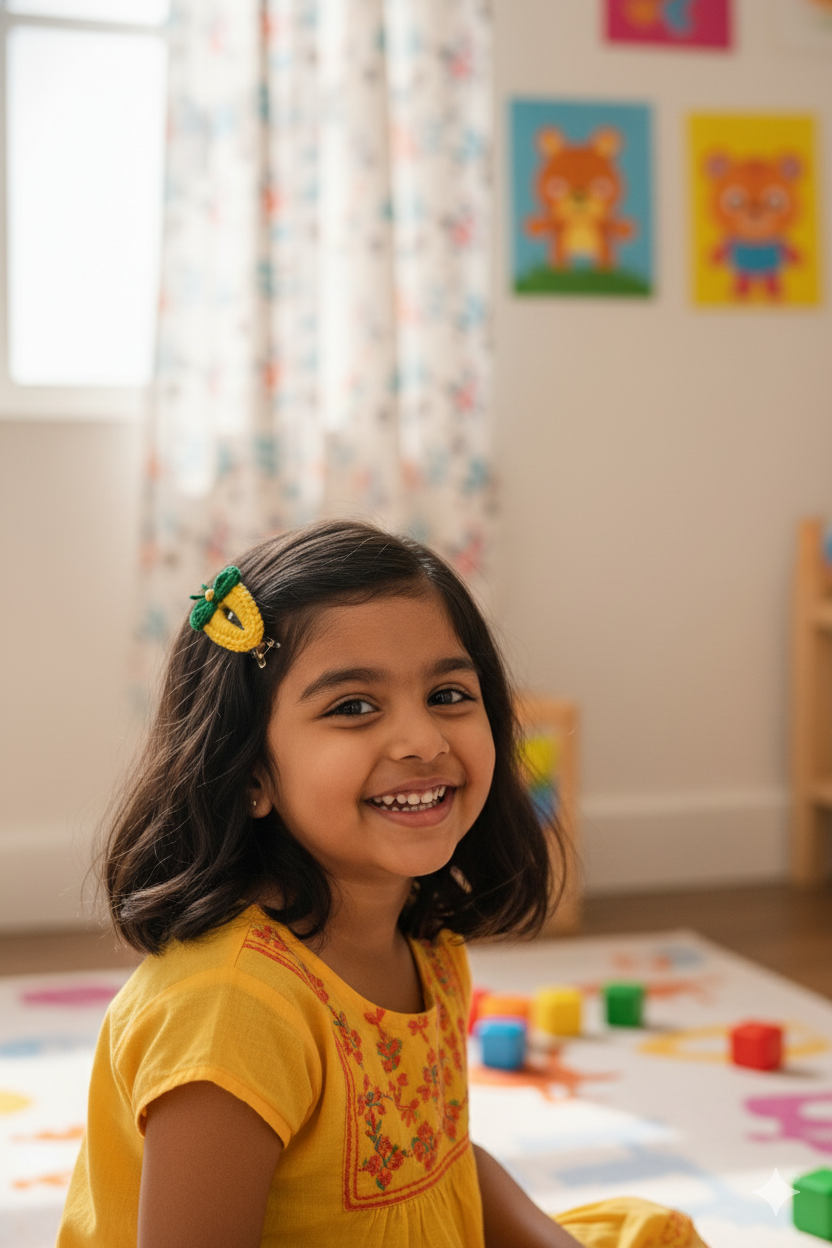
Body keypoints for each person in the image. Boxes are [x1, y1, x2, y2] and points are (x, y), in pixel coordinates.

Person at [57, 520, 709, 1248]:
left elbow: (439, 1164)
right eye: (354, 707)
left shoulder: (426, 946)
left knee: (654, 1235)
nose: (423, 740)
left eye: (449, 694)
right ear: (250, 774)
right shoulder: (230, 1009)